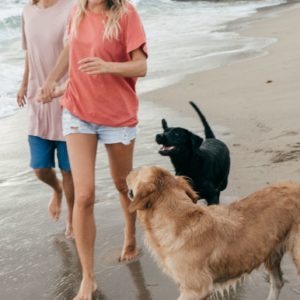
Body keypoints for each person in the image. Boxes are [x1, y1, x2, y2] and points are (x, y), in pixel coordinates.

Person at [38, 0, 147, 298]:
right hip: (77, 111)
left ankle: (130, 234)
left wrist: (107, 67)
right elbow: (71, 49)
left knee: (123, 185)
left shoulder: (126, 14)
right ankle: (88, 276)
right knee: (84, 195)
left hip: (117, 115)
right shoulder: (78, 11)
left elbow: (141, 66)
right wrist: (51, 82)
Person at [17, 0, 75, 239]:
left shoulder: (72, 8)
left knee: (68, 169)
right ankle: (56, 189)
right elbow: (30, 53)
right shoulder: (27, 11)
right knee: (40, 167)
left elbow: (74, 51)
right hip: (37, 98)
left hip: (65, 98)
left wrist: (60, 86)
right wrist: (23, 84)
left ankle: (72, 217)